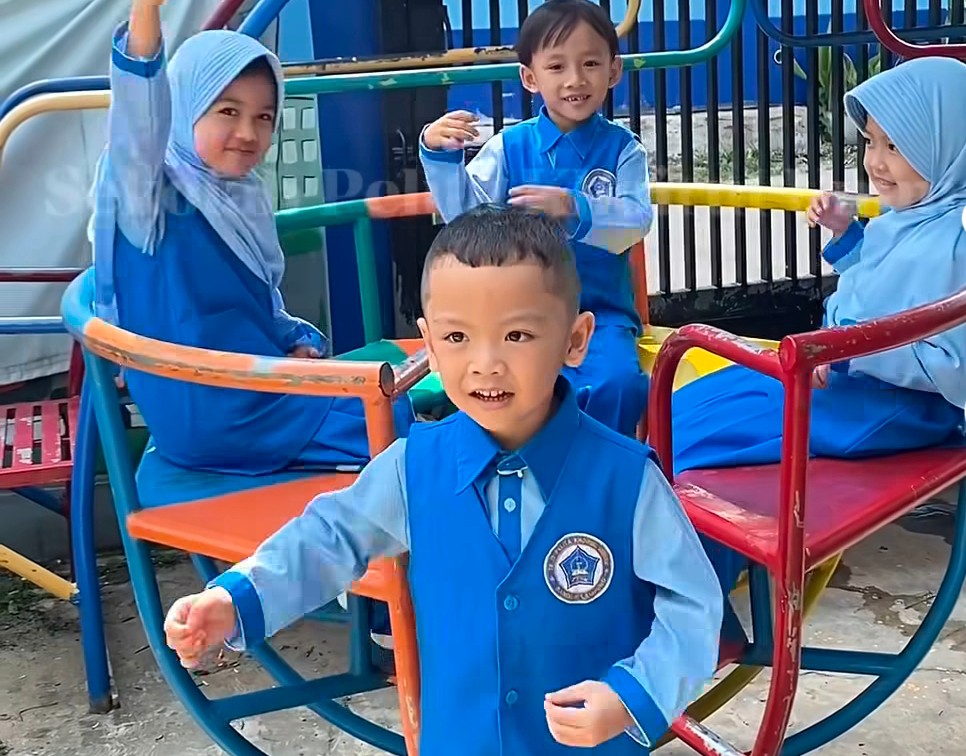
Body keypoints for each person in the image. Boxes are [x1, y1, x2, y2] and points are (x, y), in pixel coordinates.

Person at [163, 205, 723, 755]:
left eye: (518, 335)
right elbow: (327, 539)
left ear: (576, 340)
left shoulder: (627, 479)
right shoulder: (413, 468)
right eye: (457, 338)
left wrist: (632, 694)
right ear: (428, 344)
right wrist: (238, 598)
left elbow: (693, 605)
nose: (485, 363)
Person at [672, 56, 966, 593]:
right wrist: (847, 235)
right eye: (870, 142)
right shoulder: (912, 216)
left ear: (946, 145)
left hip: (898, 407)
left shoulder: (955, 240)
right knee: (691, 404)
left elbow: (953, 366)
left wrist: (852, 350)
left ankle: (686, 571)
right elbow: (882, 287)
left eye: (895, 146)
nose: (875, 162)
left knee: (710, 440)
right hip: (842, 375)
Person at [89, 0, 413, 477]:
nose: (247, 133)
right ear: (181, 107)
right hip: (215, 410)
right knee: (390, 423)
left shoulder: (236, 195)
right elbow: (138, 122)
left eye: (264, 117)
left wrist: (288, 343)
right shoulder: (150, 199)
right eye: (227, 111)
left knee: (394, 406)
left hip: (246, 388)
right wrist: (146, 13)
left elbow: (255, 303)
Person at [418, 0, 652, 438]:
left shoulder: (624, 150)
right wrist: (439, 156)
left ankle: (603, 464)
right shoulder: (508, 147)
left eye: (590, 63)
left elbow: (636, 221)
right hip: (515, 316)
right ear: (530, 77)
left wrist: (575, 208)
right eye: (557, 66)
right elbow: (467, 219)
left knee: (618, 381)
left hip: (600, 313)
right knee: (509, 382)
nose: (575, 79)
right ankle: (517, 459)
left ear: (614, 70)